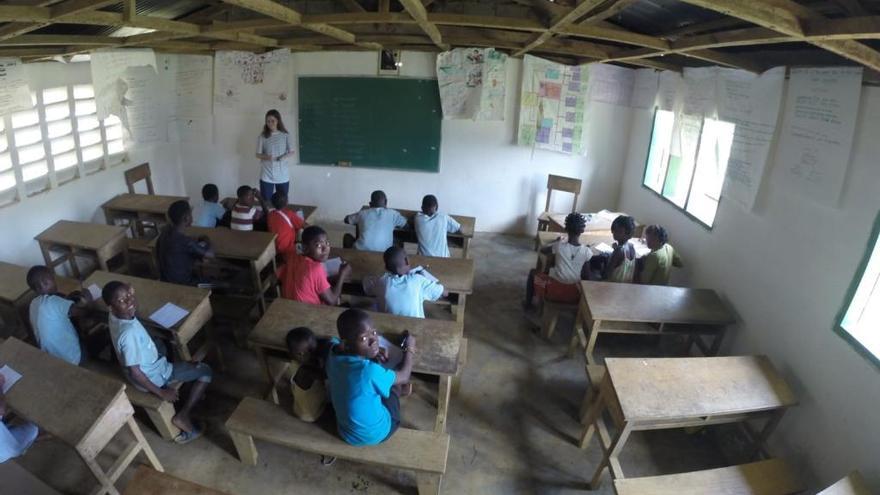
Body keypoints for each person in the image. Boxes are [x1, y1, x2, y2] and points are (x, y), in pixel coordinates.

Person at [102, 281, 211, 444]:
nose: (130, 301)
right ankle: (184, 418)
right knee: (205, 370)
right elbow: (135, 372)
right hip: (154, 376)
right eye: (122, 300)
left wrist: (125, 293)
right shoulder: (129, 333)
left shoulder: (114, 316)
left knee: (162, 342)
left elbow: (124, 295)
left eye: (130, 296)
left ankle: (184, 375)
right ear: (111, 307)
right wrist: (161, 393)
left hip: (148, 362)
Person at [326, 309, 416, 446]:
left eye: (374, 333)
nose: (374, 341)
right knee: (395, 385)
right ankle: (397, 392)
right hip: (375, 434)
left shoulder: (332, 353)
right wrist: (410, 348)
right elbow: (404, 375)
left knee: (371, 385)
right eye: (364, 338)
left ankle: (389, 387)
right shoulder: (368, 371)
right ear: (346, 344)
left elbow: (333, 341)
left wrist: (371, 352)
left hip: (345, 431)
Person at [26, 265, 92, 365]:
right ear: (45, 283)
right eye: (51, 279)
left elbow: (55, 310)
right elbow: (83, 312)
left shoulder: (33, 303)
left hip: (50, 358)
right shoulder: (54, 302)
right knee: (84, 327)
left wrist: (66, 301)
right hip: (71, 359)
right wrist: (89, 298)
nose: (54, 281)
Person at [525, 212, 591, 308]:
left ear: (566, 229)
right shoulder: (587, 251)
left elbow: (543, 250)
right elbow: (586, 276)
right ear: (582, 230)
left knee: (532, 273)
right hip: (574, 295)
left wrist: (557, 241)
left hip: (554, 291)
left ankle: (528, 305)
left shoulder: (559, 246)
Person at [280, 226, 351, 305]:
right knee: (344, 303)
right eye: (318, 245)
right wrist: (342, 274)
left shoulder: (293, 258)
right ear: (305, 248)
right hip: (309, 313)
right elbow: (332, 301)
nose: (325, 249)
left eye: (327, 243)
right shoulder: (316, 268)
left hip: (289, 306)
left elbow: (275, 279)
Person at [368, 247, 447, 319]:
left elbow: (367, 285)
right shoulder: (417, 279)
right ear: (406, 260)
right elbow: (445, 293)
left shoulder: (382, 282)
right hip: (415, 329)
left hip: (388, 327)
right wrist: (424, 277)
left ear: (386, 267)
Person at [156, 200, 214, 286]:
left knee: (200, 261)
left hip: (165, 281)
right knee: (222, 284)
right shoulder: (186, 242)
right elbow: (210, 254)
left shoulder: (164, 234)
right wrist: (207, 240)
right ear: (186, 218)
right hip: (183, 284)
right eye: (191, 214)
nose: (191, 216)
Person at [285, 327, 336, 422]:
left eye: (311, 350)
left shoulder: (295, 361)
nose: (307, 355)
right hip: (311, 415)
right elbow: (330, 375)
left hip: (301, 406)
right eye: (300, 354)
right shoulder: (306, 371)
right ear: (291, 354)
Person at [255, 109, 295, 200]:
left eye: (272, 121)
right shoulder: (262, 136)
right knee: (266, 200)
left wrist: (282, 157)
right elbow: (257, 154)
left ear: (278, 121)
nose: (270, 123)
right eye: (268, 121)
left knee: (282, 201)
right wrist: (267, 157)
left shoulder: (285, 135)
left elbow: (292, 151)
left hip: (282, 174)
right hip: (266, 174)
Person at [0, 374, 39, 463]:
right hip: (5, 450)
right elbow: (1, 409)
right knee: (32, 429)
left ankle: (6, 426)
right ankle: (22, 449)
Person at [267, 191, 306, 257]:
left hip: (275, 247)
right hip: (288, 248)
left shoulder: (270, 215)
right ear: (287, 202)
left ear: (272, 203)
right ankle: (297, 258)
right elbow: (304, 225)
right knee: (306, 247)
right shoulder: (289, 214)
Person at [603, 215, 637, 283]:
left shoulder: (618, 251)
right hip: (625, 285)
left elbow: (607, 275)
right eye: (614, 229)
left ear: (628, 233)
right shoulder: (631, 247)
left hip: (613, 286)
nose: (614, 233)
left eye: (619, 231)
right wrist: (616, 249)